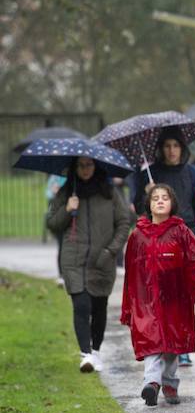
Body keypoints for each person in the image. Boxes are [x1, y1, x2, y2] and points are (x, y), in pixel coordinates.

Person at [122, 184, 195, 406]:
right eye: (155, 198)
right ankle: (151, 383)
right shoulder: (138, 236)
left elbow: (194, 261)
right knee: (152, 340)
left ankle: (169, 382)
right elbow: (130, 273)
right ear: (148, 204)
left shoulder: (181, 232)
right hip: (147, 300)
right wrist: (128, 307)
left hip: (175, 298)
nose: (160, 201)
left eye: (165, 198)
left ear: (172, 203)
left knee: (172, 343)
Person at [46, 157, 131, 372]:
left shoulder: (110, 192)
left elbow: (123, 223)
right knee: (81, 305)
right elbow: (52, 224)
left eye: (89, 165)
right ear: (74, 168)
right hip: (74, 259)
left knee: (99, 307)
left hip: (102, 259)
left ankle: (96, 351)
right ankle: (85, 354)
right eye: (81, 165)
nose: (85, 169)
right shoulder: (66, 192)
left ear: (96, 167)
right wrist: (67, 209)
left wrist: (111, 251)